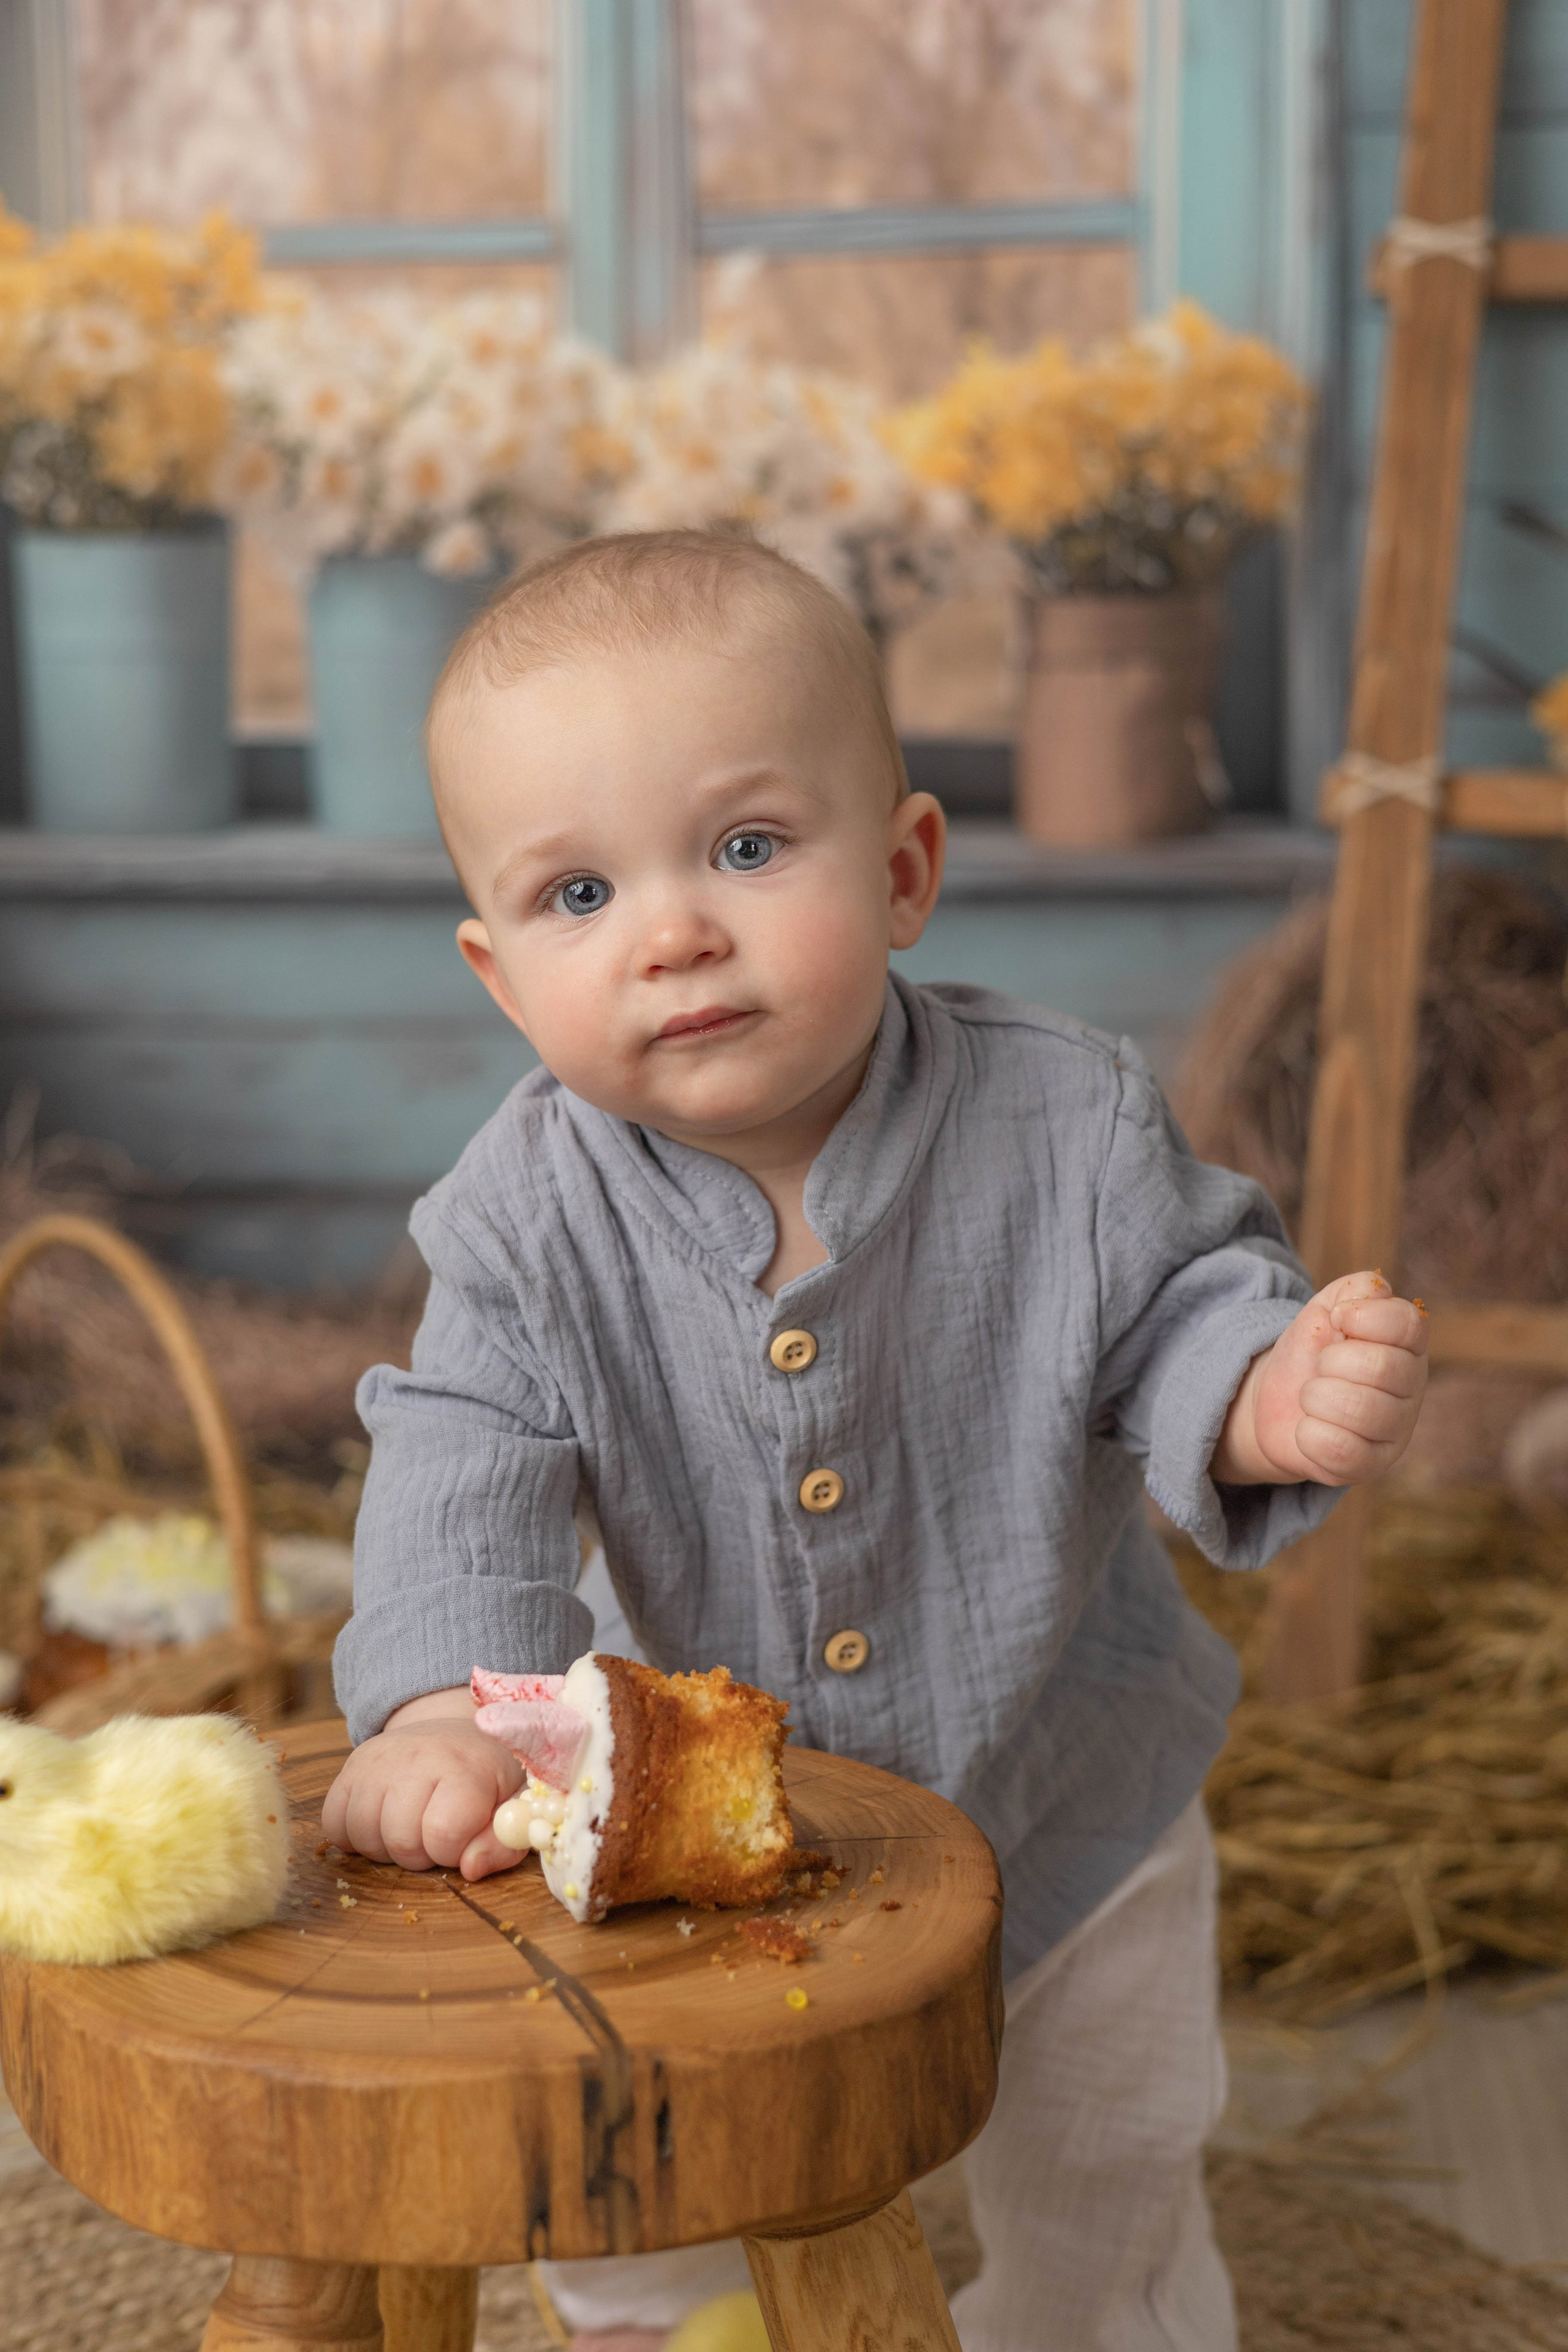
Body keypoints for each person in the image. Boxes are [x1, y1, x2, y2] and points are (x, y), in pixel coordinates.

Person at [325, 531, 1428, 2352]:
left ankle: (1090, 2320)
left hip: (1061, 1774)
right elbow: (464, 1459)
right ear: (502, 977)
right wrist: (449, 1700)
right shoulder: (519, 1220)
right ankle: (657, 2323)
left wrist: (1257, 1397)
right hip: (679, 1842)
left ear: (906, 868)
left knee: (1107, 2152)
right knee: (637, 2154)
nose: (675, 928)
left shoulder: (1065, 1117)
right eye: (580, 894)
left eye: (750, 850)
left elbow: (1173, 1309)